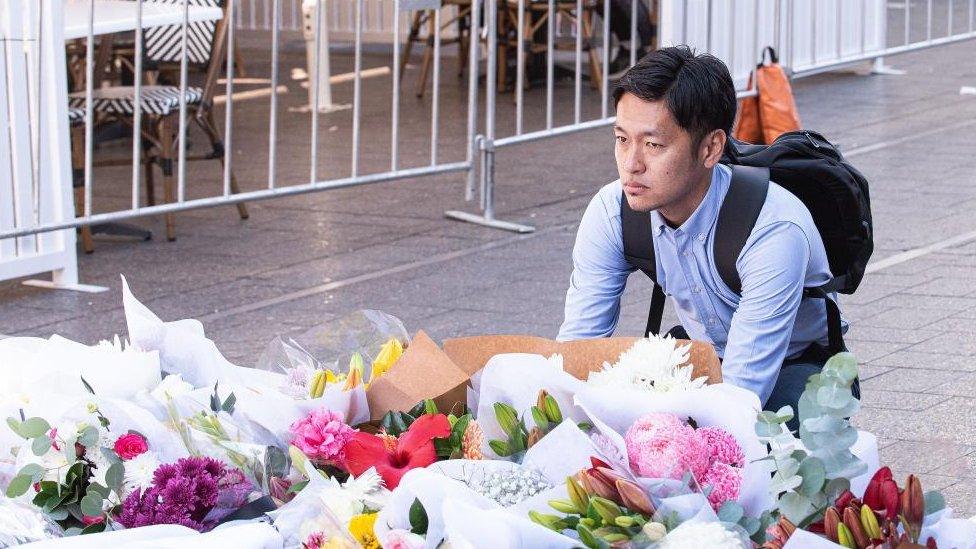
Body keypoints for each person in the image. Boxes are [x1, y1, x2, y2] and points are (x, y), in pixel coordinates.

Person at [557, 46, 846, 418]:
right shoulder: (613, 211)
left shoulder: (773, 229)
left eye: (653, 144)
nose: (631, 164)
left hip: (794, 364)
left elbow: (740, 396)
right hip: (704, 355)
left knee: (767, 447)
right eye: (622, 139)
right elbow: (576, 350)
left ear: (711, 148)